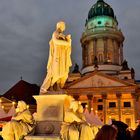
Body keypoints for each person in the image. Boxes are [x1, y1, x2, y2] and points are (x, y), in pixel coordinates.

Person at [40, 21, 72, 94]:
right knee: (56, 72)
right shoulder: (55, 33)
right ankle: (50, 87)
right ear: (61, 26)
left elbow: (67, 46)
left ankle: (57, 87)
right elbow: (56, 41)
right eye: (64, 25)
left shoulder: (62, 35)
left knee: (63, 72)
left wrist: (68, 40)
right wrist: (66, 43)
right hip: (57, 55)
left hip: (62, 56)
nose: (64, 27)